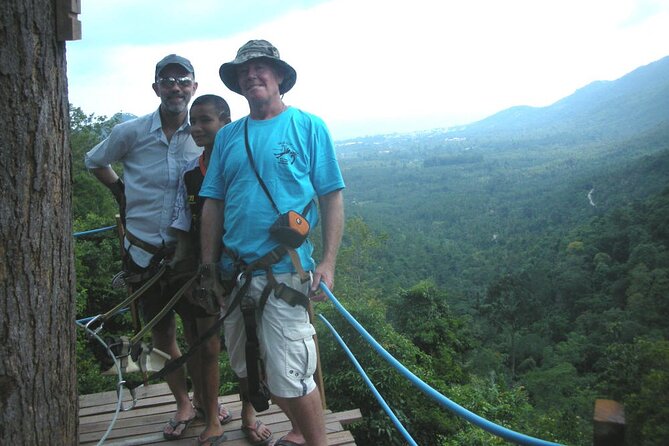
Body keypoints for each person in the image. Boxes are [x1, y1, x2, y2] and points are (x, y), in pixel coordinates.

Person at [199, 40, 345, 446]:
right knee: (247, 370)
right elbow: (213, 202)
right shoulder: (229, 137)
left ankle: (316, 441)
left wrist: (328, 262)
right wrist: (209, 266)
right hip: (235, 272)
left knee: (291, 378)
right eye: (244, 71)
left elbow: (331, 195)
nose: (252, 75)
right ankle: (298, 431)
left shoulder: (308, 126)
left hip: (286, 271)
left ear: (280, 76)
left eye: (261, 67)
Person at [84, 54, 225, 440]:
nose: (176, 87)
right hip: (144, 254)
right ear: (156, 87)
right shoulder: (130, 132)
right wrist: (120, 192)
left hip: (191, 257)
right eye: (168, 80)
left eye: (183, 81)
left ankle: (209, 405)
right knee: (162, 336)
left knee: (205, 339)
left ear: (194, 87)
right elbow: (94, 160)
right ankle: (183, 402)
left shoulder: (203, 135)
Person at [170, 94, 272, 446]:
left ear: (226, 121)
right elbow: (185, 224)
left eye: (206, 121)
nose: (197, 129)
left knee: (251, 345)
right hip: (204, 273)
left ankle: (249, 413)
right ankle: (211, 417)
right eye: (193, 122)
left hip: (245, 268)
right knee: (207, 348)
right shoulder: (190, 176)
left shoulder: (240, 165)